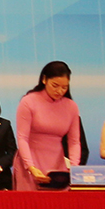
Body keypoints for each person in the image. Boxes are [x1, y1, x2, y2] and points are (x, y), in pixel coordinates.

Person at [14, 61, 80, 190]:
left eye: (64, 87)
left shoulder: (71, 106)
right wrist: (31, 167)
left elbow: (74, 142)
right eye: (55, 86)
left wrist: (74, 168)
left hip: (57, 167)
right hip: (30, 163)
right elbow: (22, 138)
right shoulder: (28, 101)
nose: (59, 91)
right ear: (44, 79)